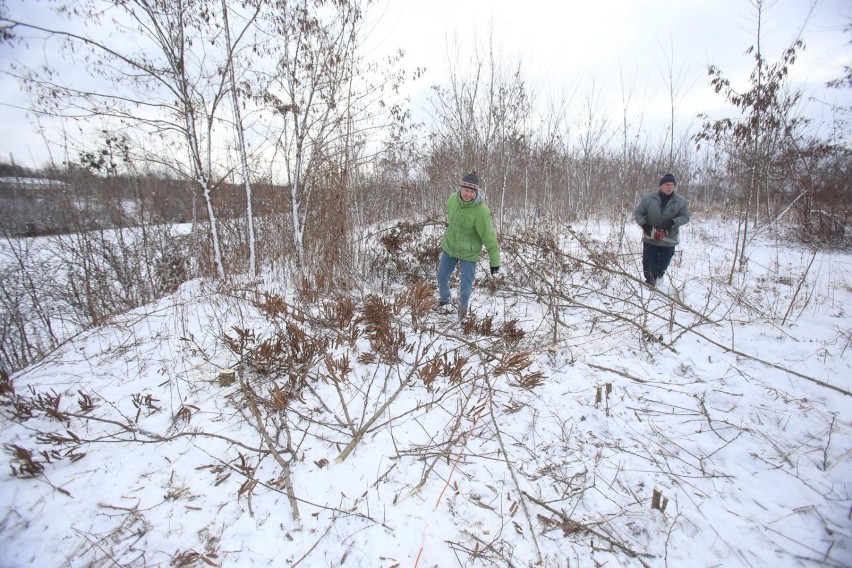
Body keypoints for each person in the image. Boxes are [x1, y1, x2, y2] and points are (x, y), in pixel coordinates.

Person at [437, 171, 500, 320]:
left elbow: (489, 236)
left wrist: (494, 261)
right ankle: (445, 300)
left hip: (469, 254)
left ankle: (462, 313)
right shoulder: (452, 199)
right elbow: (451, 218)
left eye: (472, 191)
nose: (468, 194)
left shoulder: (481, 211)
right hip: (450, 247)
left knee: (465, 287)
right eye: (466, 190)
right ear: (461, 188)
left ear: (476, 192)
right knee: (441, 278)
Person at [634, 173, 690, 286]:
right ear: (660, 185)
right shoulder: (649, 198)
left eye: (671, 185)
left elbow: (686, 217)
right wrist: (644, 225)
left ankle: (659, 275)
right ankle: (650, 281)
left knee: (664, 261)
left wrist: (673, 222)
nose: (669, 187)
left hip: (669, 238)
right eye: (666, 184)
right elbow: (638, 213)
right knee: (649, 261)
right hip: (650, 237)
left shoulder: (680, 201)